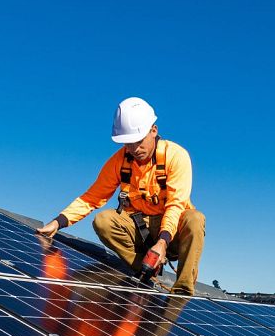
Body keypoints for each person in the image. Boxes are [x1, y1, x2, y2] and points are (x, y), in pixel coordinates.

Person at [37, 97, 205, 295]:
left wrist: (162, 242)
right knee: (103, 220)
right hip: (138, 228)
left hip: (172, 232)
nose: (134, 149)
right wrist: (58, 222)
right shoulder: (120, 161)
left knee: (195, 219)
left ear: (154, 130)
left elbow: (176, 205)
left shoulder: (176, 156)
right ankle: (145, 269)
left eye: (139, 142)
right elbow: (92, 197)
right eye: (128, 144)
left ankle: (182, 291)